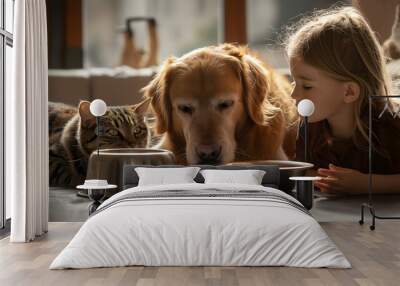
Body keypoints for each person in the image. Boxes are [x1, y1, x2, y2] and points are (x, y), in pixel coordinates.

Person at [285, 6, 400, 194]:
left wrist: (366, 184)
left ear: (349, 92)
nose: (293, 94)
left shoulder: (391, 127)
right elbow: (304, 168)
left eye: (306, 86)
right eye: (294, 82)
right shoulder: (310, 126)